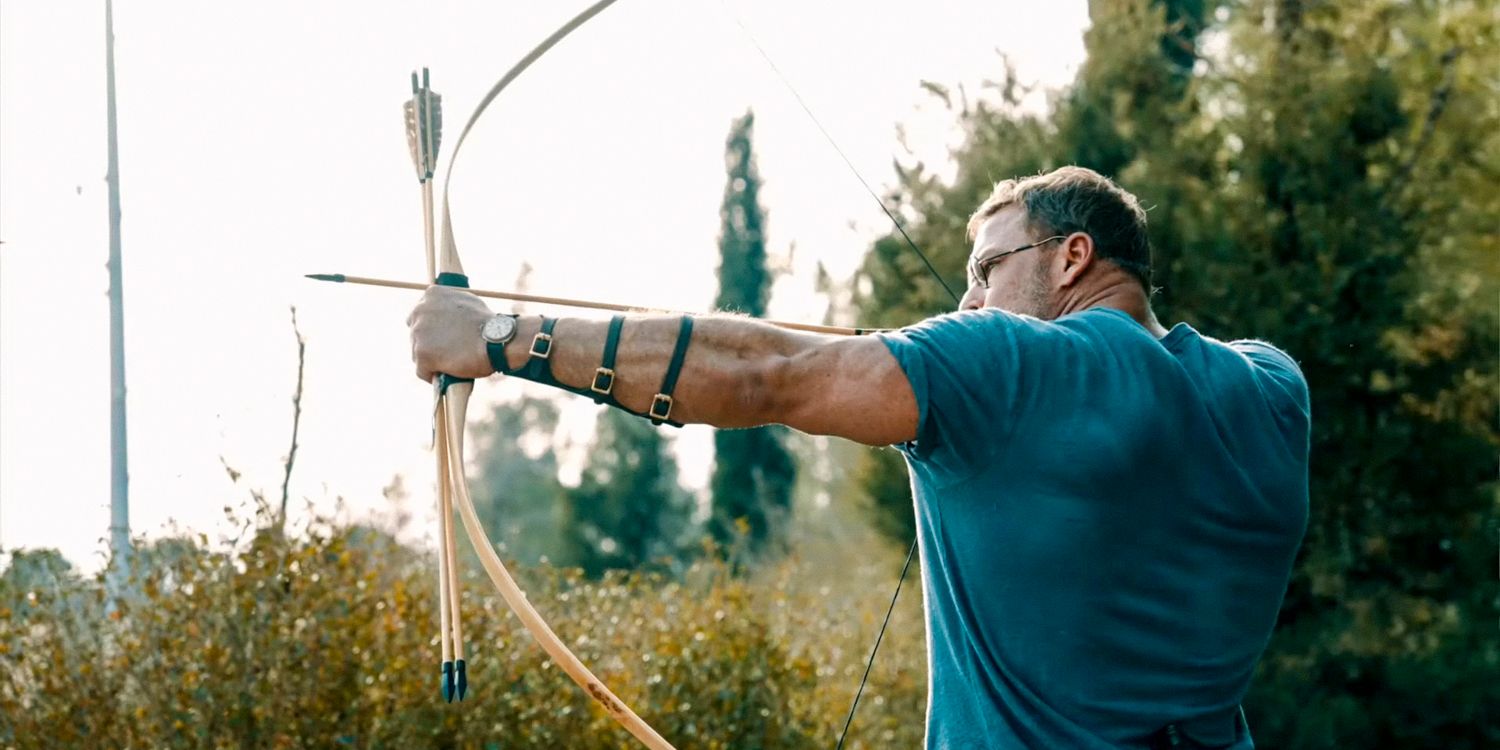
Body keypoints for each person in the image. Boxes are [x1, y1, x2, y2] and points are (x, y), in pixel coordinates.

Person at [408, 166, 1310, 749]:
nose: (967, 297)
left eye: (986, 268)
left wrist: (498, 336)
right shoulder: (1274, 392)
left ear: (1072, 256)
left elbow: (767, 374)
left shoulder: (1009, 365)